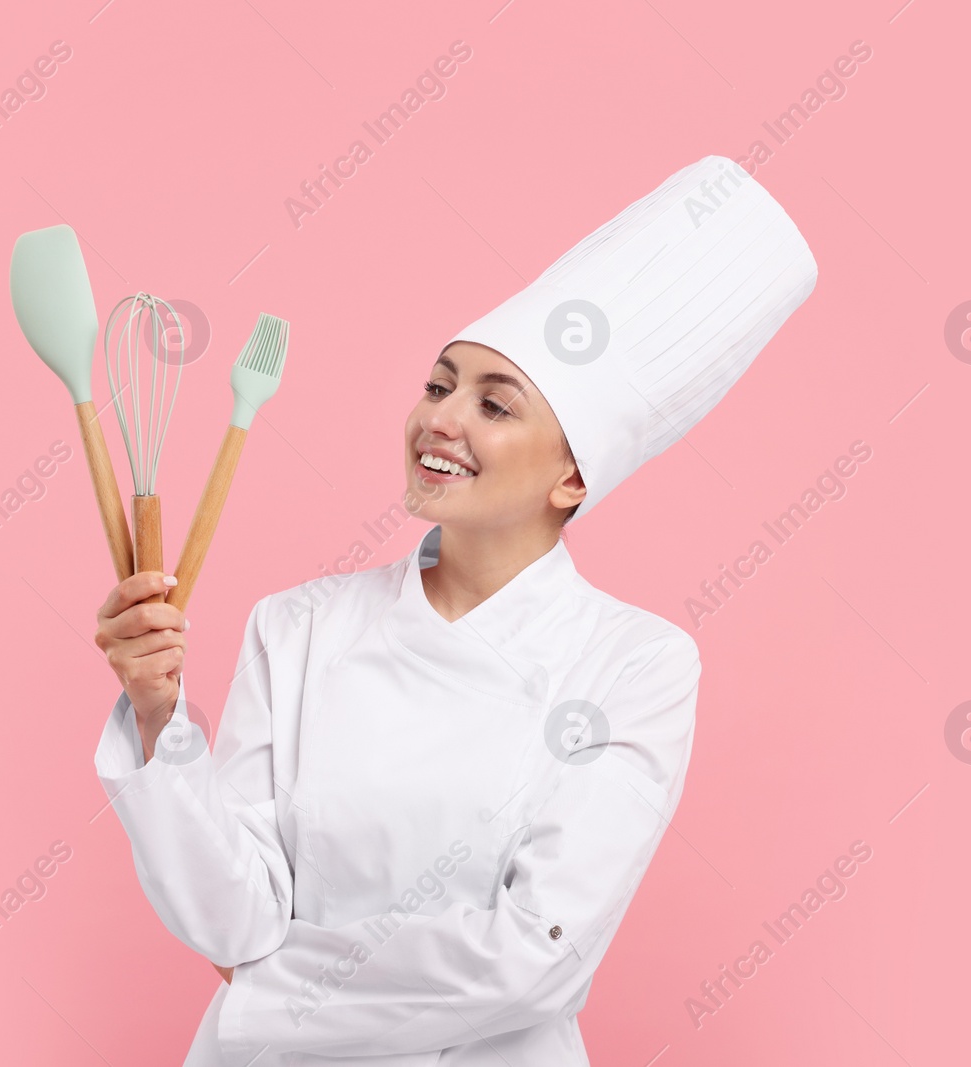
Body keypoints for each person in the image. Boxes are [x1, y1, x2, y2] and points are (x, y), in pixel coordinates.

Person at [92, 154, 818, 1065]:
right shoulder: (301, 625)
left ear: (573, 475)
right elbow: (231, 915)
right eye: (438, 386)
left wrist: (273, 988)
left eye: (493, 403)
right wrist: (161, 716)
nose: (441, 418)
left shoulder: (635, 663)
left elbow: (537, 957)